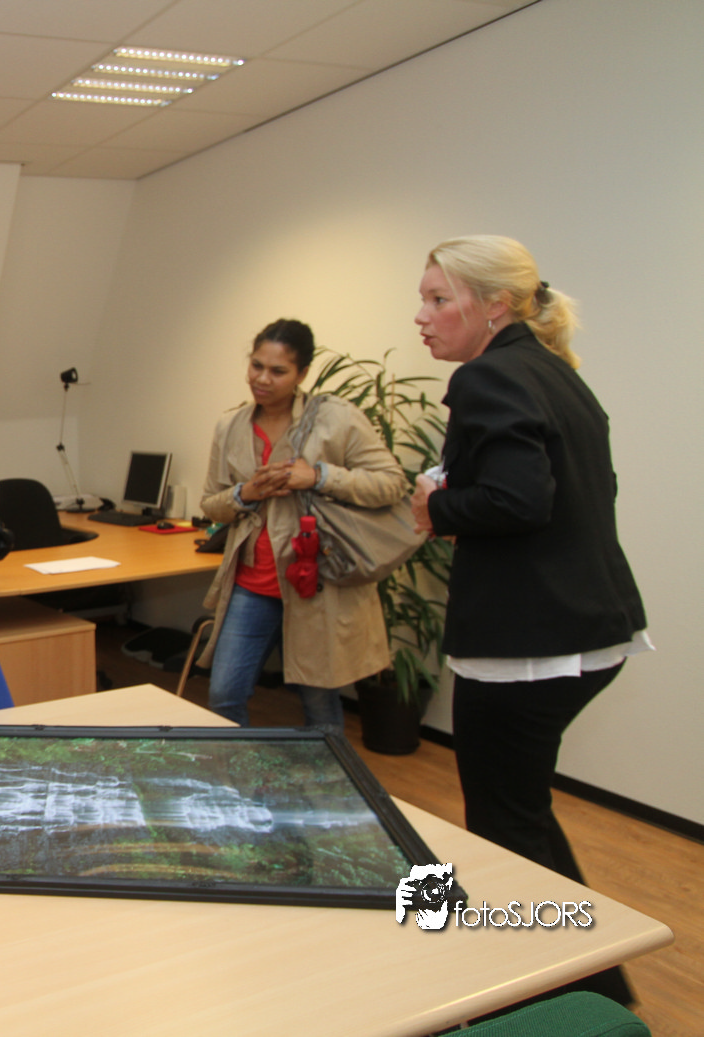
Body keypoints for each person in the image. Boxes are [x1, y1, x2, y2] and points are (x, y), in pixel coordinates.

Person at [410, 237, 649, 911]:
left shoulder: (486, 377)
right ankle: (597, 970)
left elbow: (517, 501)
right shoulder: (554, 371)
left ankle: (550, 971)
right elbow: (589, 488)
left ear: (496, 305)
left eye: (438, 299)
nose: (421, 316)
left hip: (528, 642)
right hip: (590, 626)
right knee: (521, 809)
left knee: (504, 822)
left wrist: (436, 508)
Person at [198, 319, 409, 730]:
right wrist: (246, 493)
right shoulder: (231, 426)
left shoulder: (336, 419)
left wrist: (319, 476)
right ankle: (238, 771)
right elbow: (211, 504)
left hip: (315, 582)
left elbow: (391, 484)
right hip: (252, 583)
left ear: (302, 374)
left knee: (319, 704)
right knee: (224, 694)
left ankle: (327, 772)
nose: (262, 379)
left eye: (278, 371)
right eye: (256, 366)